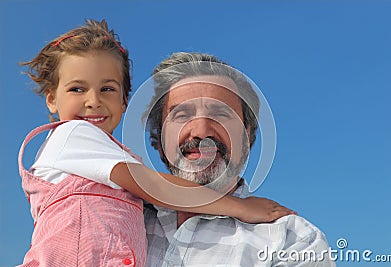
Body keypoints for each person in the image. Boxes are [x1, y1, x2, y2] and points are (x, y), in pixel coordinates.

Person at [17, 20, 294, 267]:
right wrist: (242, 207)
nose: (93, 101)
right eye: (77, 88)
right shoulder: (73, 135)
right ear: (52, 99)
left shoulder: (291, 241)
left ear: (124, 101)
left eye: (108, 89)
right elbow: (156, 187)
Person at [143, 52, 336, 266]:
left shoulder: (294, 242)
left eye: (220, 114)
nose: (201, 131)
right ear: (159, 140)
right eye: (182, 115)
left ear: (246, 138)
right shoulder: (113, 213)